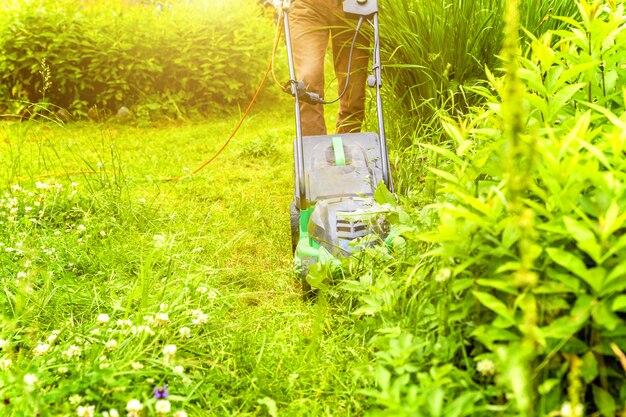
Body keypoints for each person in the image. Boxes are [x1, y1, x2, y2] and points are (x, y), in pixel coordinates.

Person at [288, 0, 370, 137]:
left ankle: (348, 147)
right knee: (308, 80)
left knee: (354, 89)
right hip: (308, 6)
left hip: (354, 6)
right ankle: (314, 149)